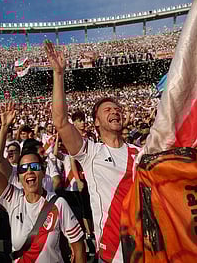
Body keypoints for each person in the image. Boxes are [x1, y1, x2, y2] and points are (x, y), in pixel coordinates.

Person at [0, 104, 86, 263]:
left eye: (35, 167)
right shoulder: (14, 199)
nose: (29, 171)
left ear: (43, 172)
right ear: (19, 175)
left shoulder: (59, 204)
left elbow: (78, 248)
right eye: (24, 168)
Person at [45, 40, 140, 263]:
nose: (115, 112)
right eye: (108, 110)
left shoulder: (140, 153)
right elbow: (60, 121)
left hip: (146, 249)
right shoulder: (90, 152)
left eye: (117, 109)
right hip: (111, 253)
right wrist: (58, 75)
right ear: (96, 122)